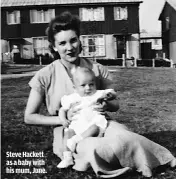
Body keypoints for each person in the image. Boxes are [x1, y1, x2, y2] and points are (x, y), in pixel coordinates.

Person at [25, 11, 176, 178]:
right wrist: (62, 119)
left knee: (125, 135)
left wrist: (106, 105)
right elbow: (29, 117)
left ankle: (162, 160)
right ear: (54, 46)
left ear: (79, 40)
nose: (69, 47)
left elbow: (115, 105)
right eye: (62, 43)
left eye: (73, 40)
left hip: (101, 122)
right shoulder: (45, 75)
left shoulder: (96, 68)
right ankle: (118, 167)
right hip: (71, 132)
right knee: (93, 147)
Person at [57, 67, 116, 168]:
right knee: (67, 134)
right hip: (78, 124)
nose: (88, 88)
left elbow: (111, 93)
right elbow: (62, 110)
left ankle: (76, 140)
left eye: (91, 84)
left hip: (92, 123)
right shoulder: (72, 98)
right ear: (75, 88)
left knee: (95, 128)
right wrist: (63, 120)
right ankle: (67, 158)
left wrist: (110, 95)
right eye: (83, 85)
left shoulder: (97, 94)